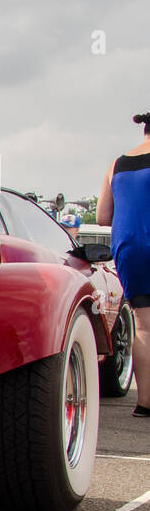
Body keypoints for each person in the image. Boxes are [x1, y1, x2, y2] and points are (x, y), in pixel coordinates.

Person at [97, 112, 150, 415]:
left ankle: (144, 403)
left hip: (130, 248)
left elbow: (103, 217)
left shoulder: (116, 164)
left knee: (143, 326)